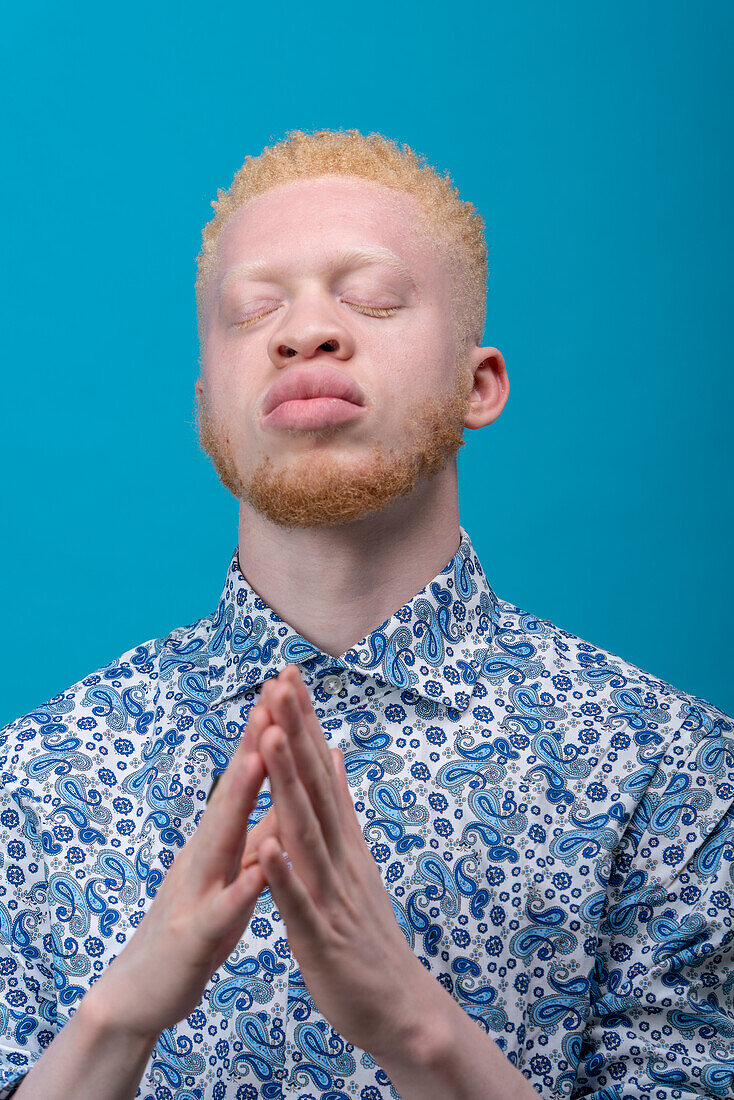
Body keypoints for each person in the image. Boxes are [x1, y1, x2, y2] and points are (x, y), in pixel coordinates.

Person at [1, 128, 732, 1100]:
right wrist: (115, 1017)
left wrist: (413, 1024)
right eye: (254, 308)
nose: (305, 331)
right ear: (206, 408)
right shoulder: (40, 780)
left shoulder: (672, 780)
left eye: (373, 297)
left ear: (479, 384)